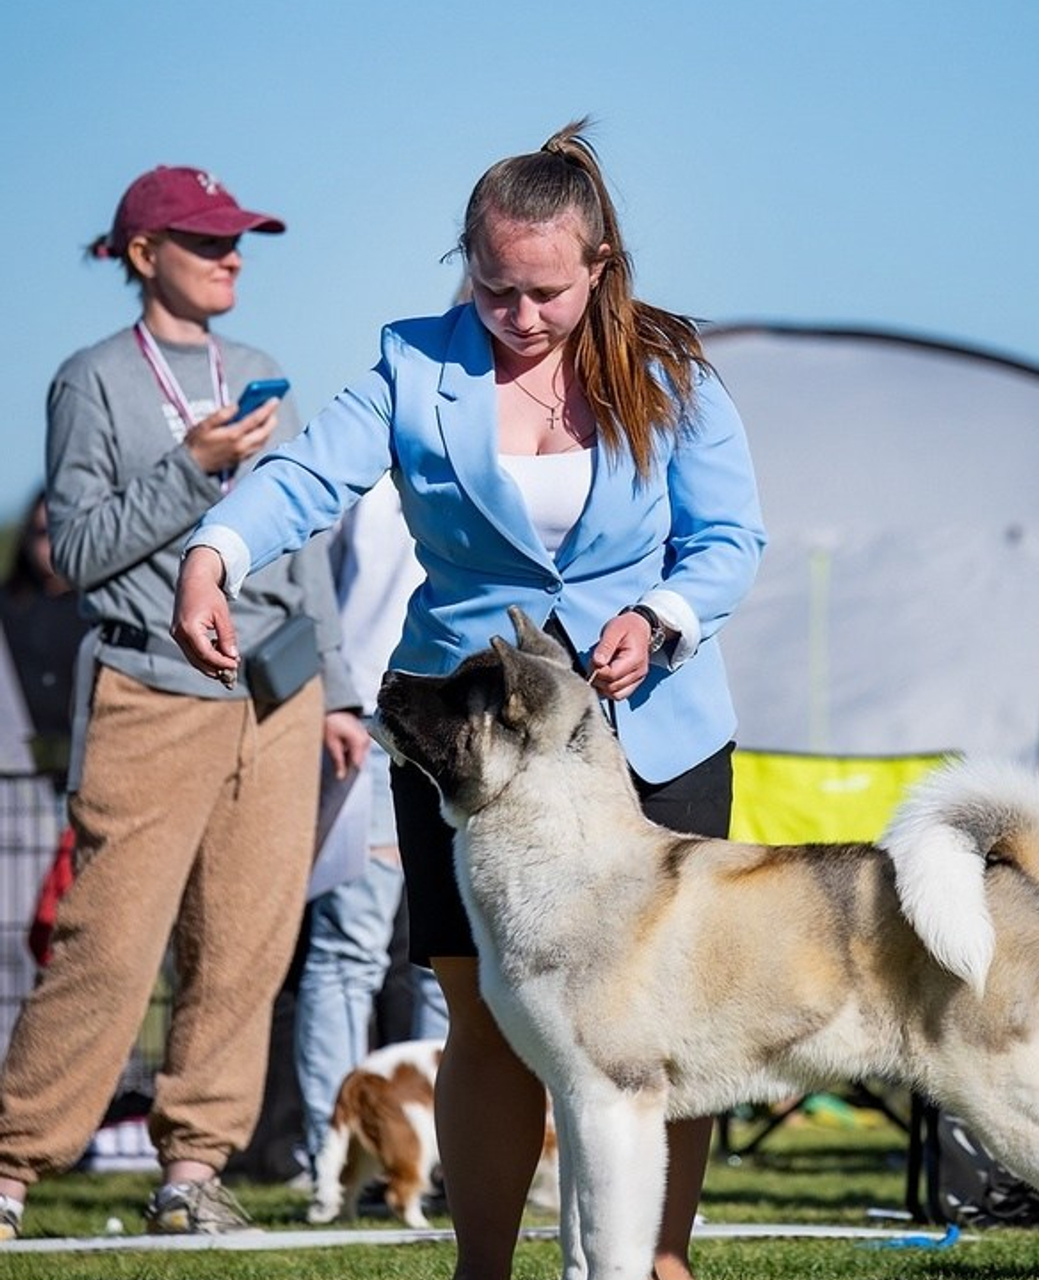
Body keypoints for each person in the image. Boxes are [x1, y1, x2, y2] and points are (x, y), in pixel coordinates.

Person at [172, 120, 766, 1280]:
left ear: (598, 268)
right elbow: (307, 474)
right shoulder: (413, 362)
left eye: (547, 291)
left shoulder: (669, 370)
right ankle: (481, 1267)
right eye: (496, 289)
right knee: (483, 1015)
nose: (521, 315)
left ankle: (662, 1258)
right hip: (468, 748)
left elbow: (728, 538)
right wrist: (216, 550)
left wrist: (663, 618)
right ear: (467, 263)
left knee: (671, 1016)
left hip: (655, 728)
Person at [0, 165, 365, 1241]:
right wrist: (192, 465)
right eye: (208, 241)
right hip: (151, 688)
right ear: (141, 253)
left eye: (239, 239)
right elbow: (79, 551)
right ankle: (12, 1166)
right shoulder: (93, 380)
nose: (232, 256)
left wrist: (337, 690)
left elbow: (301, 548)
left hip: (279, 695)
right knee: (108, 944)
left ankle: (192, 1171)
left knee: (245, 945)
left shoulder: (262, 373)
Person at [295, 474, 449, 1199]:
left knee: (444, 958)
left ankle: (447, 1155)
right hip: (371, 721)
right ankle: (333, 1161)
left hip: (440, 724)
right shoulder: (365, 476)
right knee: (357, 950)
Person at [0, 490, 90, 790]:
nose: (50, 543)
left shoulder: (100, 609)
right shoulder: (9, 606)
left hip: (88, 766)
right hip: (17, 776)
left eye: (59, 530)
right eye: (42, 532)